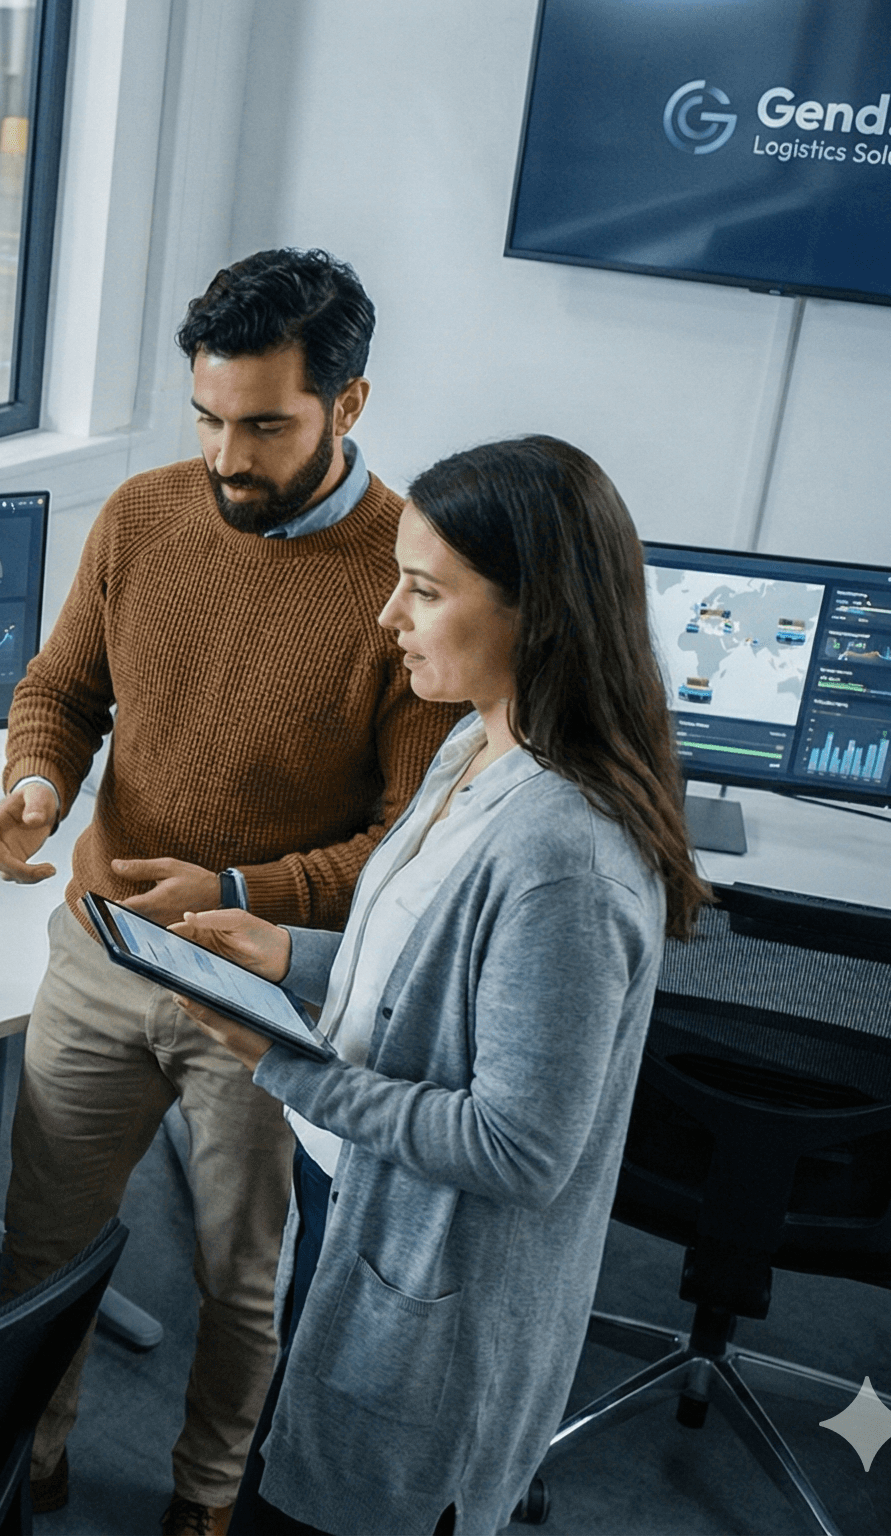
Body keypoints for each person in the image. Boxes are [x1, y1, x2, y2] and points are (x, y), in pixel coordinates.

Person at [0, 248, 466, 1536]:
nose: (225, 457)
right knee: (43, 1248)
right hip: (101, 947)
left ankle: (203, 1499)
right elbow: (62, 689)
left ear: (347, 407)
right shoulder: (141, 516)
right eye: (206, 417)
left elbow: (407, 842)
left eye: (263, 426)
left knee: (240, 1277)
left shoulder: (407, 580)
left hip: (262, 982)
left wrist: (241, 886)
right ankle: (29, 1461)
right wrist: (38, 782)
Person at [170, 436, 707, 1536]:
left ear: (536, 614)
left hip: (435, 1283)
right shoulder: (471, 744)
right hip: (355, 1200)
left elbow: (515, 1148)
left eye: (421, 590)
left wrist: (280, 1064)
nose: (386, 618)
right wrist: (285, 956)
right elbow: (422, 981)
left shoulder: (564, 857)